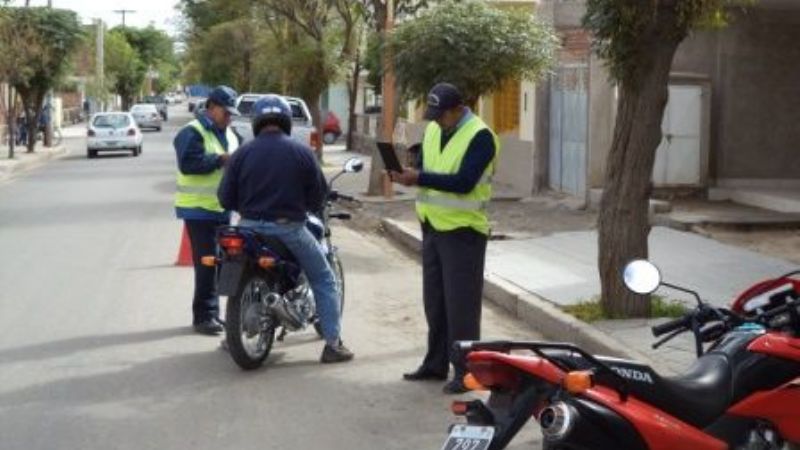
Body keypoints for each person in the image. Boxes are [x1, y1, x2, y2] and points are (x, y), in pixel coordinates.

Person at [217, 94, 354, 364]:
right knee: (325, 279)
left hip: (247, 230)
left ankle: (231, 333)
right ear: (286, 121)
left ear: (257, 122)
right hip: (288, 229)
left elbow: (225, 198)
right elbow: (317, 197)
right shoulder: (302, 152)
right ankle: (333, 344)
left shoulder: (241, 153)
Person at [390, 83, 500, 394]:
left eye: (442, 115)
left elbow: (465, 182)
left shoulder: (481, 136)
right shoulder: (436, 130)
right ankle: (435, 363)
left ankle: (467, 372)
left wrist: (419, 177)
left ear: (458, 109)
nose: (437, 120)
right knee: (435, 303)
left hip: (464, 231)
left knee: (461, 307)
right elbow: (427, 165)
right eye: (434, 115)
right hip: (433, 226)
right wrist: (409, 171)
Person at [173, 85, 241, 335]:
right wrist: (220, 160)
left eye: (232, 113)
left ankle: (223, 314)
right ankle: (204, 317)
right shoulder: (192, 132)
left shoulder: (231, 134)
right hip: (198, 210)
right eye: (226, 112)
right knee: (207, 263)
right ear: (211, 107)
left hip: (223, 209)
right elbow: (188, 164)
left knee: (228, 262)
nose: (229, 117)